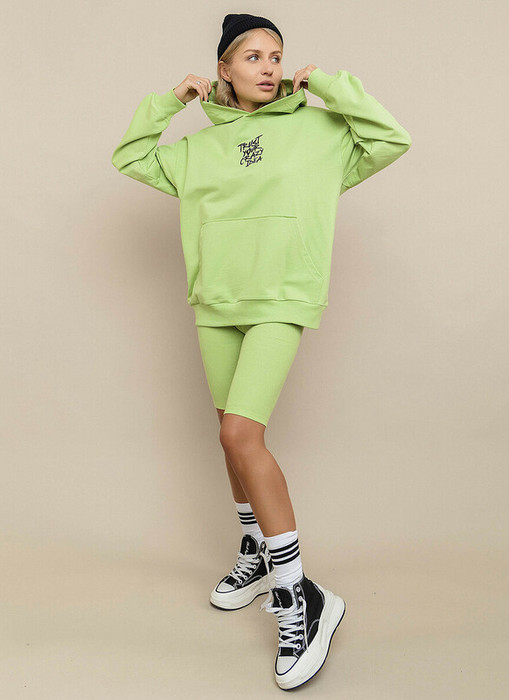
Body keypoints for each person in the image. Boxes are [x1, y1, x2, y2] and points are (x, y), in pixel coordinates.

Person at [111, 12, 411, 691]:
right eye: (253, 56)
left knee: (240, 434)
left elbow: (391, 138)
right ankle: (254, 545)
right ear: (223, 69)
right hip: (216, 303)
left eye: (276, 55)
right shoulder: (198, 149)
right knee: (229, 436)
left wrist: (329, 85)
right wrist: (170, 101)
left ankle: (300, 596)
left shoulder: (320, 133)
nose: (269, 67)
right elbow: (130, 156)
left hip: (282, 298)